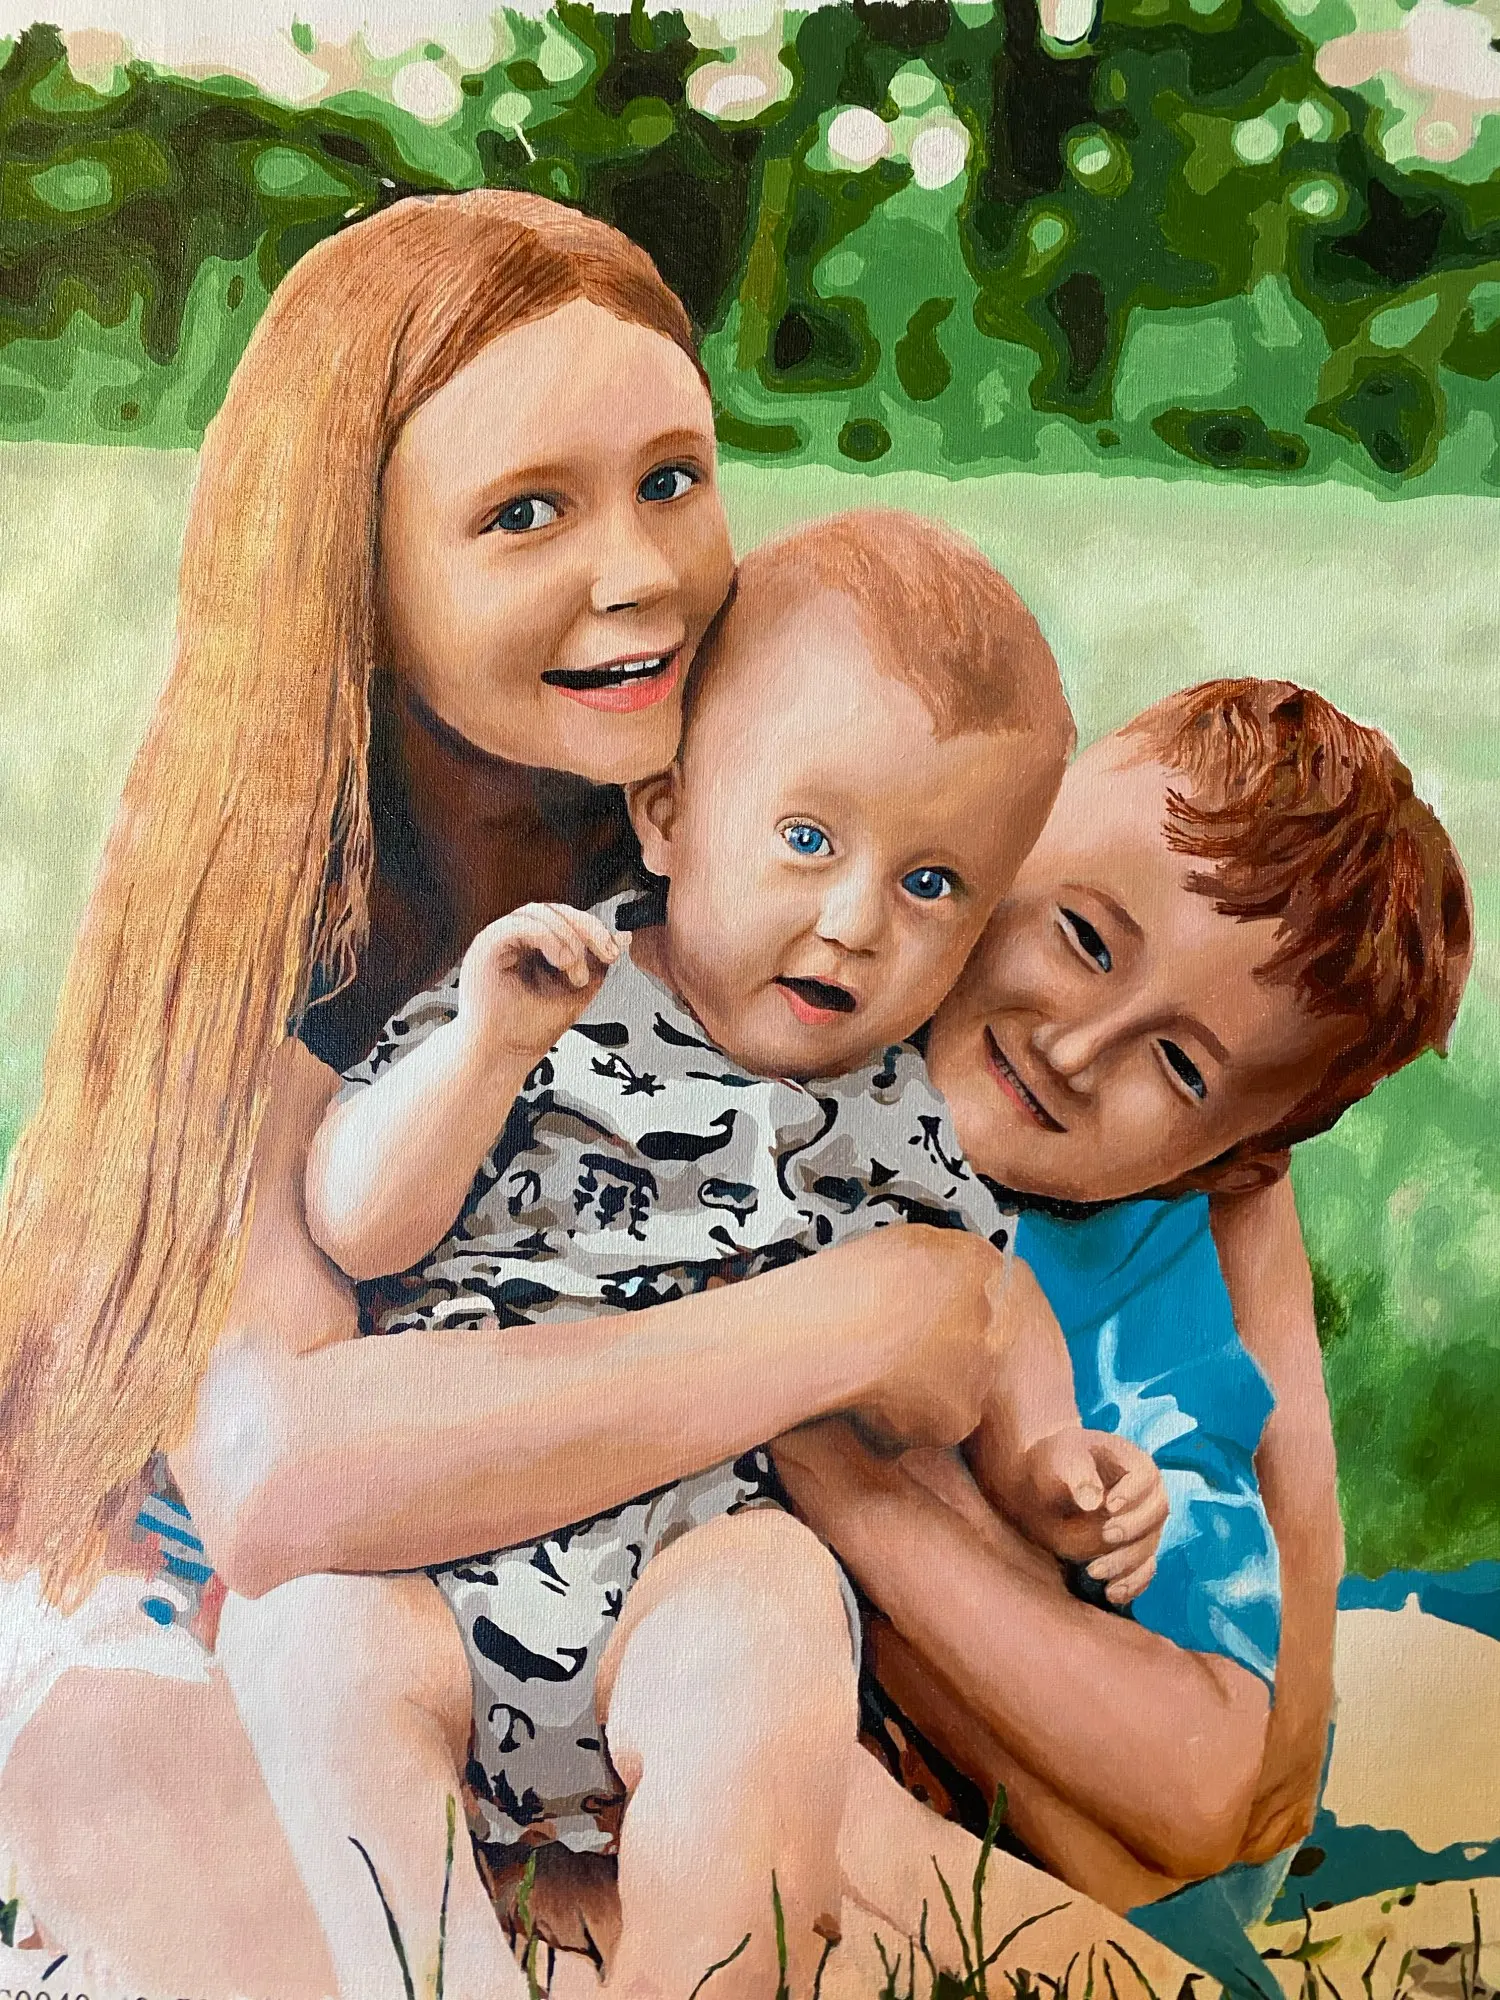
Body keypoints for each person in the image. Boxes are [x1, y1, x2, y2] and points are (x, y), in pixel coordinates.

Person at [0, 195, 1156, 1997]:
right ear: (357, 563)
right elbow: (284, 1485)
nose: (638, 573)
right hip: (249, 1632)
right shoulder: (271, 931)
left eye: (672, 481)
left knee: (813, 1763)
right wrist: (856, 1315)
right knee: (141, 1772)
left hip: (613, 1617)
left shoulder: (742, 850)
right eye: (526, 513)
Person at [217, 508, 1162, 1999]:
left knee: (773, 1609)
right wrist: (485, 1051)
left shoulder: (900, 1119)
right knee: (304, 1642)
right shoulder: (549, 983)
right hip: (423, 1579)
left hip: (675, 1597)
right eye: (808, 839)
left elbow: (986, 1309)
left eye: (931, 886)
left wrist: (1055, 1466)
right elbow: (356, 1217)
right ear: (667, 815)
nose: (853, 923)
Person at [774, 679, 1473, 1994]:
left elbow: (1212, 1796)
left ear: (1228, 1164)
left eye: (1183, 1069)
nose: (1079, 1049)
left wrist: (838, 1472)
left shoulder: (1142, 1282)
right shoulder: (803, 983)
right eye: (1087, 938)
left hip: (1119, 1825)